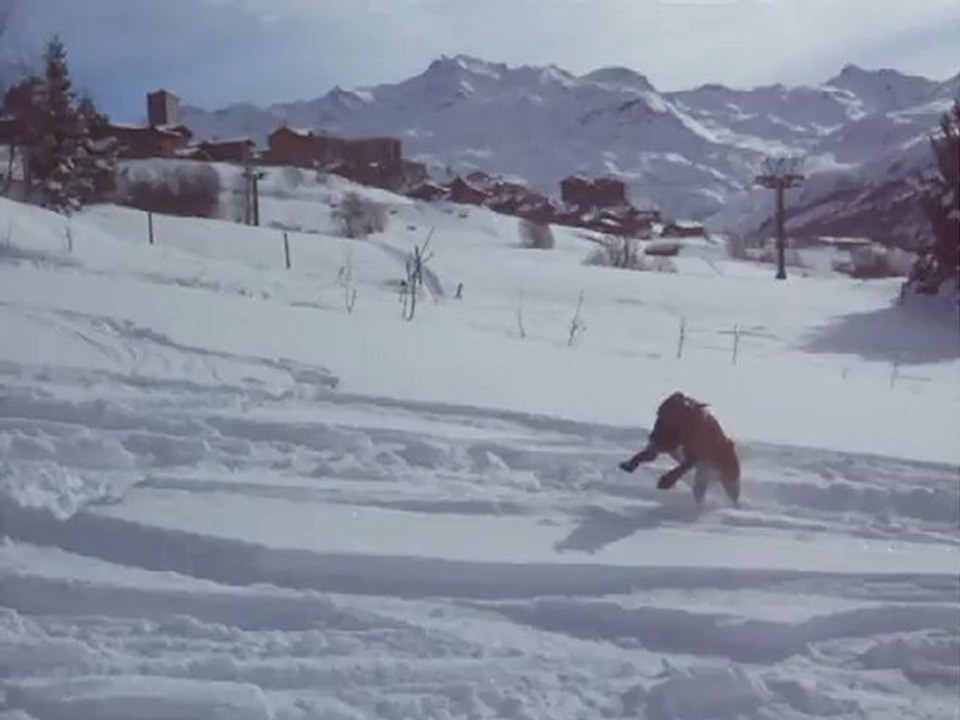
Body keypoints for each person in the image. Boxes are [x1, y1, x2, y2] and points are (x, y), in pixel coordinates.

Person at [619, 391, 741, 504]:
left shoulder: (696, 422)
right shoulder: (665, 417)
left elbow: (694, 458)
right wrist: (635, 461)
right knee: (698, 479)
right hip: (693, 450)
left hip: (720, 456)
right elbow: (655, 447)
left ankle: (712, 514)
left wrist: (674, 475)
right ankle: (695, 502)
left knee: (707, 482)